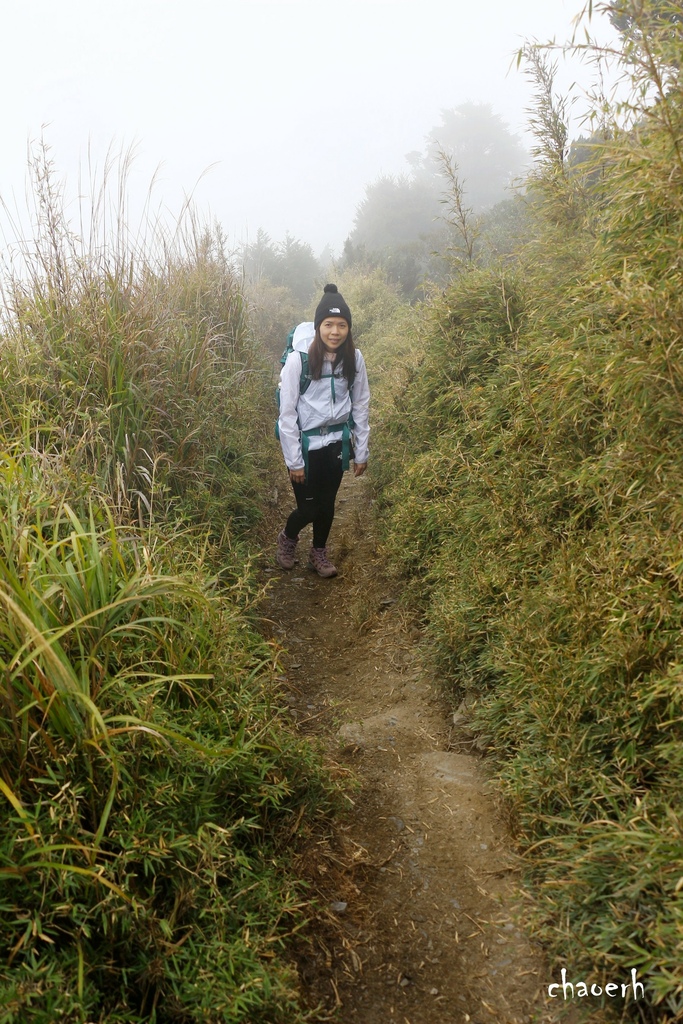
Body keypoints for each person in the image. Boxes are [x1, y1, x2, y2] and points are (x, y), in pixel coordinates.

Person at [276, 283, 370, 577]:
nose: (335, 331)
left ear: (348, 328)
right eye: (328, 324)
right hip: (306, 447)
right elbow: (287, 414)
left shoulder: (354, 358)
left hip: (336, 445)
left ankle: (318, 553)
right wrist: (294, 460)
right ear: (318, 327)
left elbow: (361, 404)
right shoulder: (298, 361)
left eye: (342, 325)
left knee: (327, 504)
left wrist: (361, 451)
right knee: (308, 509)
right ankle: (288, 538)